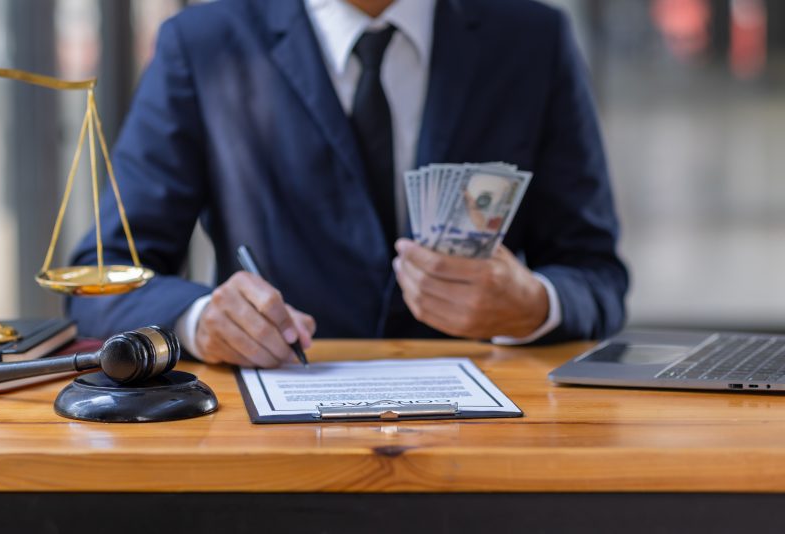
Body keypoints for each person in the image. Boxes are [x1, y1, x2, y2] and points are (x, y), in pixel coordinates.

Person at [69, 0, 629, 368]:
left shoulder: (531, 39)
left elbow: (597, 276)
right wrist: (200, 320)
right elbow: (102, 274)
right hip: (275, 442)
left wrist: (534, 305)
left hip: (484, 443)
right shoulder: (203, 45)